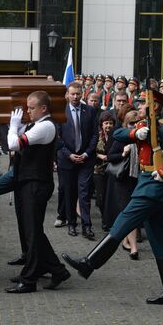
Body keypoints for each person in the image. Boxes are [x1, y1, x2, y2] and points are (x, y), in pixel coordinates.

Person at [62, 88, 163, 305]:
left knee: (122, 222)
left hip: (155, 185)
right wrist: (135, 134)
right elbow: (117, 133)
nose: (140, 106)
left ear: (155, 106)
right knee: (158, 240)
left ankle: (89, 263)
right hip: (145, 182)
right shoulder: (143, 126)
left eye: (144, 103)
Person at [5, 91, 71, 293]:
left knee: (33, 233)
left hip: (36, 184)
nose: (27, 111)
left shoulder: (45, 126)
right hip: (30, 182)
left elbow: (13, 144)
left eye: (31, 108)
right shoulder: (37, 125)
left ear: (43, 108)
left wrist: (13, 126)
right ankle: (55, 270)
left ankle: (29, 279)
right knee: (33, 231)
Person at [57, 82, 99, 239]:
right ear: (67, 94)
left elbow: (95, 134)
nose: (75, 97)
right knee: (70, 193)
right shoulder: (61, 112)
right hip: (67, 160)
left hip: (85, 160)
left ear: (83, 94)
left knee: (84, 193)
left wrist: (87, 154)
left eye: (78, 94)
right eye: (72, 94)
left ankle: (87, 226)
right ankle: (72, 224)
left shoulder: (90, 111)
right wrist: (69, 155)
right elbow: (57, 138)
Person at [104, 109, 141, 259]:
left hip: (138, 179)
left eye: (137, 123)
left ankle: (126, 240)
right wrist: (123, 153)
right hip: (123, 179)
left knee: (134, 212)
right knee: (128, 211)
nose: (134, 126)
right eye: (131, 123)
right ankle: (133, 247)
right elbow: (110, 156)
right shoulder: (121, 137)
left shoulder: (142, 138)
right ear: (126, 124)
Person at [93, 112, 116, 232]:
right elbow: (92, 150)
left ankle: (109, 221)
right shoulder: (97, 136)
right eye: (106, 123)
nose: (108, 126)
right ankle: (104, 219)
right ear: (101, 124)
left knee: (110, 197)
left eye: (111, 123)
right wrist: (100, 156)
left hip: (112, 170)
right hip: (99, 170)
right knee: (101, 196)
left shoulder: (116, 136)